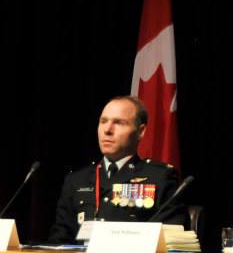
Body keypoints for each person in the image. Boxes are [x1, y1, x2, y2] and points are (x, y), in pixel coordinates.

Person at [48, 96, 187, 243]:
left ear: (141, 131)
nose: (107, 130)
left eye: (119, 123)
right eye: (103, 121)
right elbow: (59, 240)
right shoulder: (77, 180)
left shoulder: (160, 177)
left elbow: (170, 238)